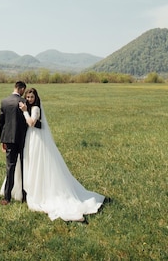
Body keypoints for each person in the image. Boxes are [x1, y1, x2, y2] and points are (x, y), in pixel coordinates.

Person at [10, 87, 105, 221]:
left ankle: (39, 192)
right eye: (28, 97)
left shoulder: (35, 109)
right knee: (30, 161)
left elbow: (31, 123)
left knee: (38, 162)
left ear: (36, 98)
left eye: (32, 97)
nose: (30, 99)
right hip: (30, 138)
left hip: (37, 139)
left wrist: (25, 112)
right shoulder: (30, 107)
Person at [0, 80, 27, 205]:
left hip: (9, 139)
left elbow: (1, 123)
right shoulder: (24, 102)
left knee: (10, 167)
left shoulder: (4, 101)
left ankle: (7, 197)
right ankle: (25, 195)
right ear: (21, 89)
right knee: (25, 167)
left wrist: (2, 140)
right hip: (22, 139)